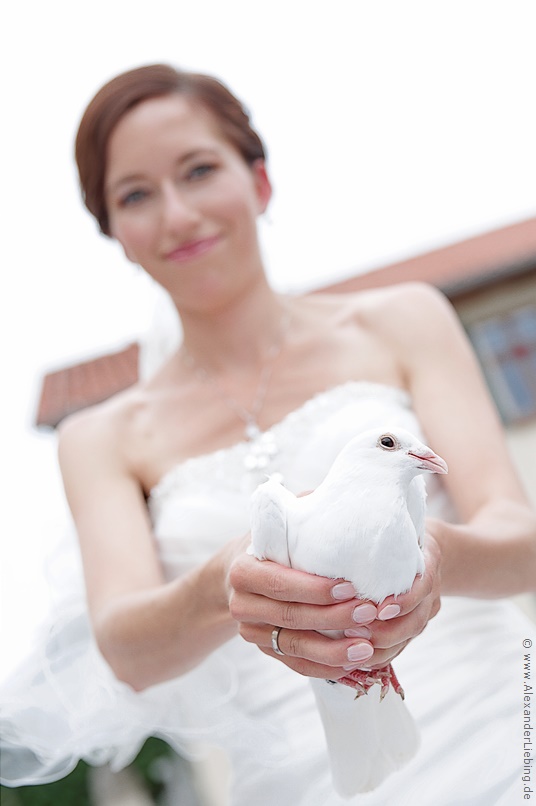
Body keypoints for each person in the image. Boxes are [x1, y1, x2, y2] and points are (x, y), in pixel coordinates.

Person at [1, 63, 535, 805]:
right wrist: (221, 587)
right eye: (135, 195)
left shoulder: (402, 322)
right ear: (116, 234)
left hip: (499, 736)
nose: (178, 214)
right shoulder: (101, 439)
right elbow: (125, 646)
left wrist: (433, 556)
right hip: (296, 779)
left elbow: (521, 539)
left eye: (198, 170)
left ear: (259, 182)